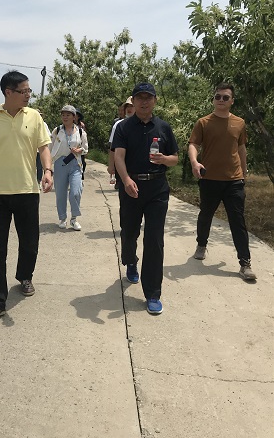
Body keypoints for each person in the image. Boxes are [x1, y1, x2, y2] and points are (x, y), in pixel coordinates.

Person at [0, 70, 53, 321]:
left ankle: (25, 276)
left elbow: (44, 147)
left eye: (29, 90)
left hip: (27, 189)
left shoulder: (34, 116)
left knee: (29, 241)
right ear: (8, 92)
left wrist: (48, 171)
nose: (28, 95)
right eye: (23, 91)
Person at [113, 83, 178, 315]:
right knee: (129, 232)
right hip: (131, 187)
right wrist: (126, 180)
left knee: (154, 240)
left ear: (155, 100)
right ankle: (131, 260)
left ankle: (153, 293)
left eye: (148, 97)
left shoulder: (163, 127)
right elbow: (119, 157)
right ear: (133, 101)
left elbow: (175, 158)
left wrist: (164, 159)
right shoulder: (123, 127)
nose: (144, 101)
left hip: (157, 189)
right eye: (139, 97)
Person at [188, 83, 257, 281]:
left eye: (225, 97)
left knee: (238, 220)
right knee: (206, 214)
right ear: (213, 99)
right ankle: (202, 244)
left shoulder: (239, 123)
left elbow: (241, 149)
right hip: (209, 178)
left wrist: (243, 173)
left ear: (232, 101)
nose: (221, 100)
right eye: (218, 96)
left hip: (234, 180)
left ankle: (245, 263)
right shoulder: (203, 122)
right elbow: (193, 144)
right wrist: (194, 162)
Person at [50, 105, 89, 231]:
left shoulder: (80, 132)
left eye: (68, 115)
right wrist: (48, 167)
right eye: (63, 115)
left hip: (75, 163)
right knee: (60, 193)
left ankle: (74, 219)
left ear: (74, 117)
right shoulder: (57, 131)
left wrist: (79, 150)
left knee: (76, 191)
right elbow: (50, 147)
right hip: (60, 163)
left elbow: (85, 149)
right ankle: (62, 218)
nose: (65, 117)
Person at [108, 97, 135, 189]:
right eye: (127, 106)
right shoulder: (119, 125)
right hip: (122, 164)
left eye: (132, 106)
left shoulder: (145, 125)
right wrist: (111, 165)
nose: (129, 109)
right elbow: (112, 146)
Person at [75, 108, 87, 179]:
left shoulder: (81, 125)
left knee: (82, 163)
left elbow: (84, 136)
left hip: (80, 147)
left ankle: (80, 177)